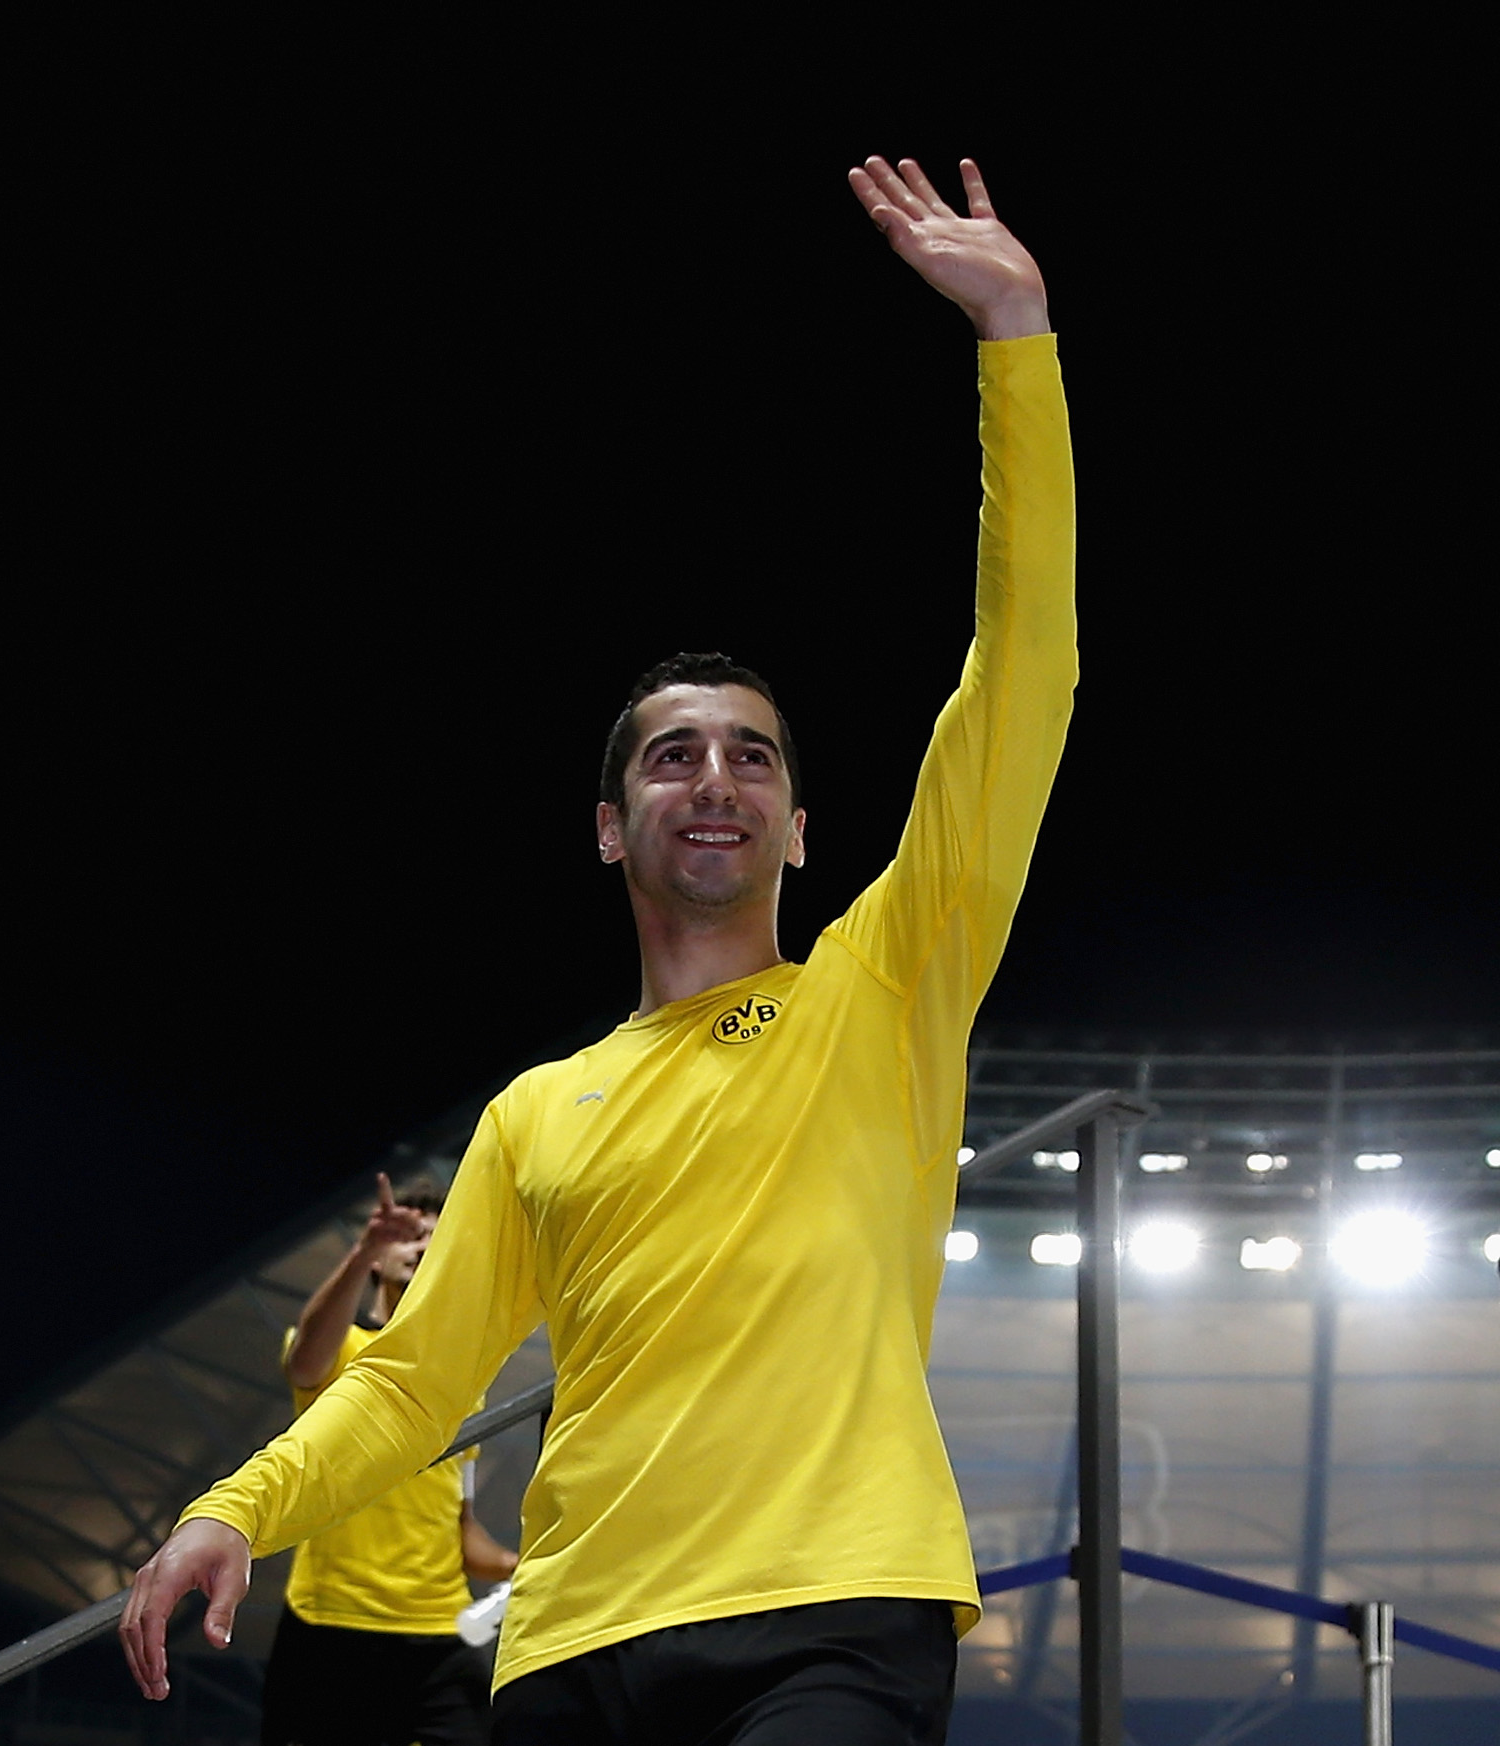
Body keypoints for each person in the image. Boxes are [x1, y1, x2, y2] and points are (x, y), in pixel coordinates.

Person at [120, 154, 1072, 1746]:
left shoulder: (886, 984)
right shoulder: (536, 1113)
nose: (718, 778)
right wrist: (241, 1508)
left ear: (802, 827)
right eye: (675, 755)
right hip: (571, 1647)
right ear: (614, 826)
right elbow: (414, 1385)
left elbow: (1024, 672)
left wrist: (1017, 342)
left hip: (829, 1614)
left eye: (755, 755)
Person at [263, 1171, 518, 1746]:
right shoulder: (344, 1347)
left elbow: (460, 1527)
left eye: (435, 1237)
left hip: (438, 1629)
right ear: (380, 1256)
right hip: (332, 1626)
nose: (423, 1245)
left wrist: (520, 1565)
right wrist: (364, 1248)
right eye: (409, 1236)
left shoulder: (464, 1377)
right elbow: (304, 1363)